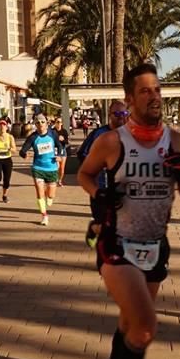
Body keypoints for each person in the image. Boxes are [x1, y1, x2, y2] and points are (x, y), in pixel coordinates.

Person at [78, 63, 180, 359]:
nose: (154, 97)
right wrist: (100, 194)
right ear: (129, 100)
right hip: (117, 243)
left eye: (157, 90)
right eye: (145, 91)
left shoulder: (176, 141)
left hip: (155, 246)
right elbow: (84, 174)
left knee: (131, 322)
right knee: (145, 325)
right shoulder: (111, 142)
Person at [77, 100, 128, 248]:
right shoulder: (98, 134)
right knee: (103, 225)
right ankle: (94, 228)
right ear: (109, 115)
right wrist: (98, 165)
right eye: (117, 114)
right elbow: (82, 154)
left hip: (123, 191)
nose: (121, 117)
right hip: (100, 188)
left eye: (124, 113)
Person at [20, 114, 60, 226]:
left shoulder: (53, 134)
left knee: (51, 196)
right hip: (38, 168)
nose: (40, 124)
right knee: (39, 192)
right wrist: (24, 154)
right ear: (35, 125)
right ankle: (44, 216)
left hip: (52, 168)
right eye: (38, 122)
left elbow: (60, 146)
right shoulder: (33, 137)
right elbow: (22, 150)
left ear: (47, 123)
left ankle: (50, 197)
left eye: (42, 122)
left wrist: (60, 155)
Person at [53, 117, 71, 187]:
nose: (58, 123)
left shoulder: (64, 131)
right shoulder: (52, 131)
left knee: (62, 168)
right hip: (55, 150)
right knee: (56, 166)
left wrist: (63, 140)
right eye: (57, 122)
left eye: (60, 122)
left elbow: (67, 141)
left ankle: (60, 181)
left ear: (62, 123)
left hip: (63, 150)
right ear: (55, 123)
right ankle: (55, 180)